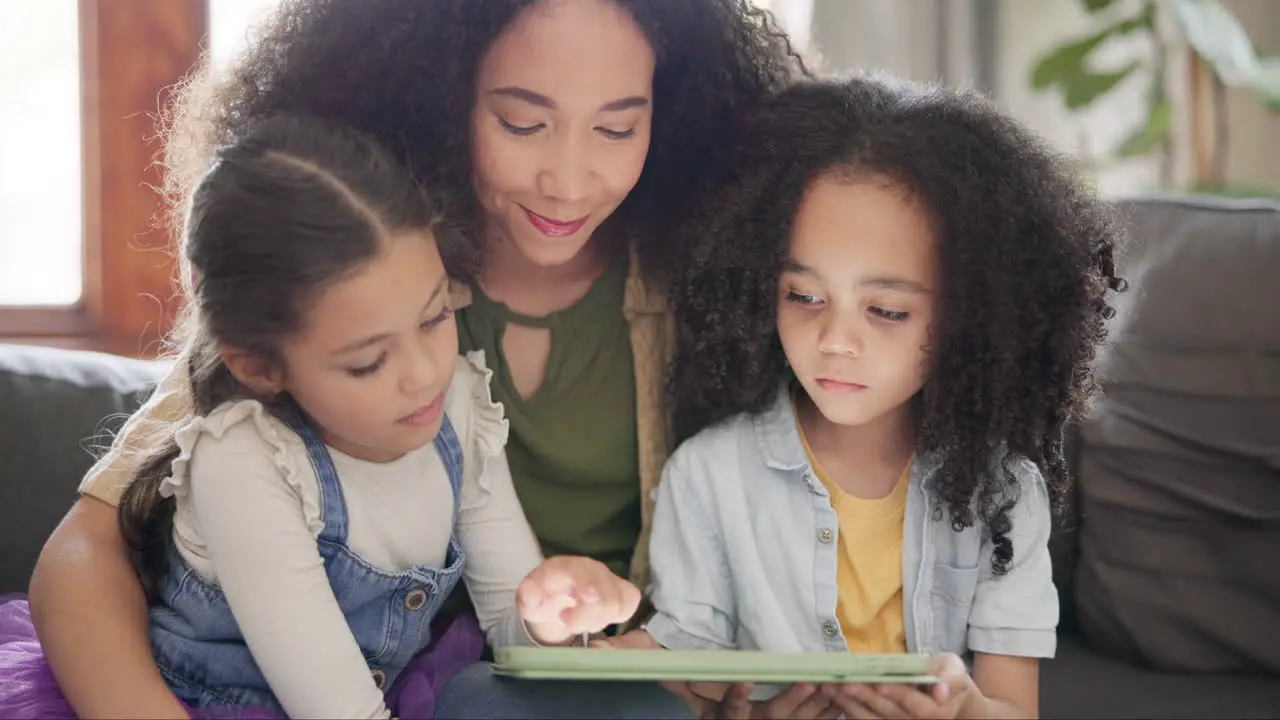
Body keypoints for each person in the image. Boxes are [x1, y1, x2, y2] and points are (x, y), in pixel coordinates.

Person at [27, 1, 805, 717]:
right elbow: (83, 552)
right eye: (522, 124)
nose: (568, 182)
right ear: (442, 100)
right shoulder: (356, 272)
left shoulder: (712, 282)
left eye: (616, 129)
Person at [2, 115, 642, 719]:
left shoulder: (458, 402)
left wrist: (549, 617)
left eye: (435, 317)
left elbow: (513, 637)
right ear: (261, 367)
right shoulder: (245, 463)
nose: (423, 372)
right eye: (367, 363)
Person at [606, 74, 1127, 719]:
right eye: (804, 296)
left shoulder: (1005, 492)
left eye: (885, 309)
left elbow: (1014, 709)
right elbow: (692, 676)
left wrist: (965, 711)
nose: (835, 340)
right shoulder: (708, 475)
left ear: (973, 317)